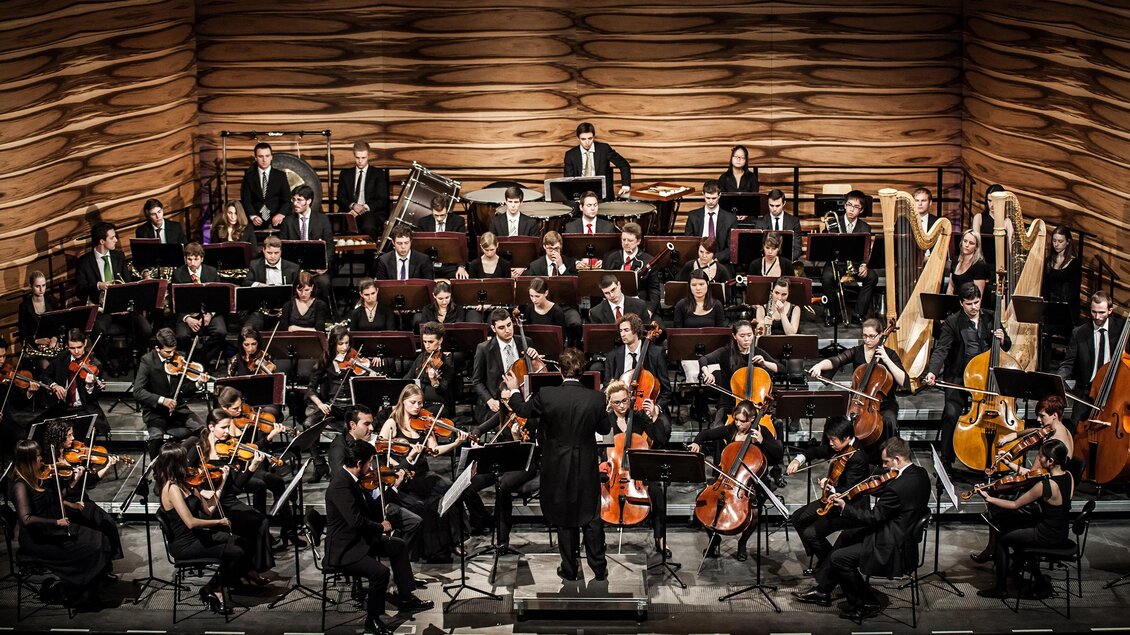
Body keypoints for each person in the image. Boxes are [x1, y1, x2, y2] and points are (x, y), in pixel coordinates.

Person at [793, 437, 930, 620]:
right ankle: (823, 591)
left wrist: (845, 507)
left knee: (839, 558)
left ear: (897, 460)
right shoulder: (920, 474)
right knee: (846, 536)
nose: (884, 467)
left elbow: (874, 517)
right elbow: (894, 501)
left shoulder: (897, 488)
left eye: (886, 462)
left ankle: (865, 603)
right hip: (900, 532)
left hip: (891, 545)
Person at [502, 347, 610, 580]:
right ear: (583, 372)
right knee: (591, 516)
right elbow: (605, 429)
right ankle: (599, 568)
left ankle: (569, 569)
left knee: (564, 516)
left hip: (556, 466)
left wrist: (513, 390)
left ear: (560, 371)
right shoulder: (597, 398)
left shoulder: (547, 395)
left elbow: (522, 409)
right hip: (585, 466)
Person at [325, 438, 432, 635]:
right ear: (359, 464)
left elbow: (370, 511)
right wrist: (380, 527)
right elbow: (356, 521)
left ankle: (406, 599)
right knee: (380, 573)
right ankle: (372, 619)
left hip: (359, 540)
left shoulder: (354, 481)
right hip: (345, 549)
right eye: (369, 462)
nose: (371, 466)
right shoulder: (341, 486)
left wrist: (391, 489)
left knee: (398, 546)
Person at [9, 439, 113, 610]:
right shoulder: (20, 485)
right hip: (39, 539)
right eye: (38, 456)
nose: (42, 459)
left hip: (54, 530)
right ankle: (80, 594)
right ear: (28, 460)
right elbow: (27, 518)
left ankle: (82, 591)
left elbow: (56, 500)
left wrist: (73, 481)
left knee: (100, 539)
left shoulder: (37, 477)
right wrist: (57, 521)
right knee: (92, 548)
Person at [922, 283, 1011, 470]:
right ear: (961, 303)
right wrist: (932, 371)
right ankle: (947, 459)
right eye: (969, 304)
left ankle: (995, 456)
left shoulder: (991, 317)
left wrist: (1003, 339)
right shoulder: (953, 322)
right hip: (959, 376)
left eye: (977, 302)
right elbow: (941, 350)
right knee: (951, 413)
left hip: (986, 378)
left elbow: (1007, 345)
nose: (974, 307)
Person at [377, 384, 469, 562]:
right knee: (427, 503)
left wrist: (456, 444)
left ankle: (456, 540)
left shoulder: (424, 422)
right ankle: (431, 548)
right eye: (413, 403)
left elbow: (435, 450)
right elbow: (381, 452)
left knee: (451, 489)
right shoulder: (391, 423)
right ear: (403, 401)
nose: (417, 407)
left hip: (422, 473)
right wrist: (401, 462)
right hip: (403, 475)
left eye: (420, 403)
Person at [154, 441, 247, 616]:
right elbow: (190, 522)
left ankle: (219, 585)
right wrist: (219, 523)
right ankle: (212, 589)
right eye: (184, 459)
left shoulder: (186, 483)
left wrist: (221, 484)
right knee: (236, 553)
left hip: (196, 536)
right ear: (176, 463)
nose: (189, 462)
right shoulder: (172, 488)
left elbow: (209, 509)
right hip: (185, 544)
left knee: (240, 541)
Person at [975, 440, 1074, 600]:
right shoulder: (1068, 476)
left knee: (1002, 538)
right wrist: (1009, 463)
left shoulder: (1045, 485)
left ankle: (1001, 589)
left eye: (1041, 456)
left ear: (1050, 461)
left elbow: (1014, 504)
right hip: (1061, 532)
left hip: (1046, 535)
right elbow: (1029, 474)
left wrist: (989, 498)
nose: (1038, 458)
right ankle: (1036, 577)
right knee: (1014, 527)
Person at [687, 399, 783, 560]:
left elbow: (778, 455)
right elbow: (706, 434)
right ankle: (714, 538)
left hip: (751, 483)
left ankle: (742, 543)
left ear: (752, 419)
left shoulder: (762, 432)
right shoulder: (731, 430)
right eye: (736, 419)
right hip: (727, 479)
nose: (738, 424)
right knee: (703, 501)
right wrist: (697, 442)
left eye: (742, 421)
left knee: (754, 514)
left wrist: (761, 442)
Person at [326, 406, 422, 561]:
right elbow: (343, 479)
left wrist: (401, 469)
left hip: (378, 499)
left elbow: (380, 472)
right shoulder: (340, 447)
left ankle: (403, 568)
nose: (371, 428)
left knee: (417, 515)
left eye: (372, 424)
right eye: (366, 424)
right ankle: (387, 558)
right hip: (363, 509)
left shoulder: (371, 444)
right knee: (413, 517)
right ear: (352, 425)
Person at [192, 408, 281, 573]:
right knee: (253, 524)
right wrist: (198, 491)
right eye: (223, 428)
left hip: (228, 499)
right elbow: (183, 477)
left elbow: (236, 486)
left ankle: (252, 569)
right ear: (211, 427)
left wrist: (252, 467)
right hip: (209, 505)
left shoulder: (228, 452)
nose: (227, 432)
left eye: (229, 427)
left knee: (262, 520)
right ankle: (244, 570)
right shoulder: (197, 448)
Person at [807, 318, 907, 460]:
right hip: (858, 400)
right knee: (835, 415)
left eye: (871, 336)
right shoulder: (857, 352)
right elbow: (837, 360)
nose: (867, 340)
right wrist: (819, 366)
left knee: (889, 419)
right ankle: (833, 454)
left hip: (883, 402)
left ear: (880, 335)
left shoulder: (890, 354)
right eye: (864, 336)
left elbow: (904, 381)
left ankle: (886, 458)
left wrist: (886, 359)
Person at [785, 417, 871, 573]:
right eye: (829, 439)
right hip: (832, 499)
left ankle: (828, 566)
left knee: (811, 533)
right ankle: (825, 560)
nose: (830, 443)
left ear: (846, 438)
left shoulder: (858, 457)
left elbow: (849, 489)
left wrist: (829, 486)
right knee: (797, 518)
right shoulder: (838, 447)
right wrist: (798, 461)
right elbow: (815, 451)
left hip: (850, 508)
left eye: (833, 440)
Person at [602, 379, 670, 556]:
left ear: (630, 398)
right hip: (613, 471)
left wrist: (654, 416)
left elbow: (661, 438)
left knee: (657, 492)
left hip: (639, 471)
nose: (622, 405)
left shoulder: (638, 417)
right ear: (609, 401)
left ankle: (660, 539)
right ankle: (596, 540)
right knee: (594, 493)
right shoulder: (605, 421)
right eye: (617, 402)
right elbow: (601, 449)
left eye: (625, 400)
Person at [42, 419, 124, 562]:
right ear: (59, 436)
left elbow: (91, 480)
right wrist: (74, 482)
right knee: (97, 528)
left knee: (108, 523)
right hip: (67, 504)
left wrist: (107, 466)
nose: (73, 438)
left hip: (81, 499)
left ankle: (106, 563)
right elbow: (55, 496)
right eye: (69, 435)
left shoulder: (72, 455)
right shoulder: (49, 461)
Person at [75, 221, 151, 371]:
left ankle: (130, 361)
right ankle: (107, 364)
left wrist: (125, 303)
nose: (116, 240)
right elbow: (80, 290)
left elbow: (127, 283)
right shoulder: (84, 262)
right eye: (112, 237)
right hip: (102, 311)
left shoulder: (118, 256)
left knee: (145, 329)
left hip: (122, 309)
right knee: (98, 330)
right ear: (102, 241)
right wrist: (98, 285)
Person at [133, 328, 206, 458]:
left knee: (204, 430)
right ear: (157, 348)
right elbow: (138, 391)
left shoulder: (179, 357)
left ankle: (187, 462)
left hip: (178, 409)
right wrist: (162, 400)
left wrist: (198, 383)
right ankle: (158, 471)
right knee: (156, 437)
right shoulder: (147, 361)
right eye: (168, 351)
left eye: (174, 350)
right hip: (156, 412)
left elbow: (183, 388)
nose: (172, 354)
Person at [602, 314, 673, 439]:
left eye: (626, 330)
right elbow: (607, 386)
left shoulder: (656, 353)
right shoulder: (612, 356)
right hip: (620, 408)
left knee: (664, 428)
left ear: (636, 330)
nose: (622, 334)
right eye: (620, 331)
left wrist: (656, 407)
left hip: (648, 407)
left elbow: (666, 390)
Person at [698, 320, 779, 426]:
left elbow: (781, 368)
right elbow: (703, 359)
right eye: (742, 336)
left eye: (749, 335)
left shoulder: (758, 352)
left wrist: (765, 363)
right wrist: (707, 372)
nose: (746, 339)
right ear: (734, 336)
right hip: (729, 404)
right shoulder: (726, 352)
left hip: (754, 406)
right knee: (717, 431)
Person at [819, 189, 878, 325]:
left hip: (856, 264)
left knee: (872, 277)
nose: (852, 209)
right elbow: (823, 245)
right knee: (827, 277)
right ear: (845, 205)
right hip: (836, 263)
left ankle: (858, 314)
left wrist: (864, 265)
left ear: (861, 210)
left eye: (856, 207)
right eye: (849, 205)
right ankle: (834, 314)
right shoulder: (833, 222)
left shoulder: (865, 227)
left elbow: (866, 250)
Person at [1057, 290, 1127, 405]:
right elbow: (1068, 363)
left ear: (1110, 311)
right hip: (1086, 392)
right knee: (1076, 423)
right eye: (1093, 312)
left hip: (1114, 391)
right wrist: (1058, 380)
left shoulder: (1122, 329)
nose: (1097, 317)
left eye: (1101, 312)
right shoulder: (1079, 332)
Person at [472, 308, 540, 424]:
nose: (508, 330)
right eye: (502, 327)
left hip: (522, 400)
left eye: (509, 325)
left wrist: (535, 359)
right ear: (493, 328)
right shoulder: (483, 349)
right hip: (498, 402)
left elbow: (534, 373)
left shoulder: (526, 342)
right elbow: (477, 381)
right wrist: (489, 400)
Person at [39, 328, 110, 439]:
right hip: (62, 408)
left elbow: (94, 397)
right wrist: (54, 385)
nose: (76, 352)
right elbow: (44, 376)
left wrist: (90, 386)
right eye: (72, 348)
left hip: (84, 409)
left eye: (79, 347)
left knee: (78, 434)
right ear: (67, 345)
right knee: (37, 428)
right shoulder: (61, 357)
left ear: (85, 343)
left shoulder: (95, 364)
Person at [171, 242, 226, 363]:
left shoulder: (212, 272)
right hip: (187, 314)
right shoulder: (178, 274)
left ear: (202, 258)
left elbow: (219, 297)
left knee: (220, 332)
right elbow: (173, 300)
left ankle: (201, 360)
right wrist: (186, 318)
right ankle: (194, 359)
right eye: (189, 259)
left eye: (196, 259)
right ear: (185, 259)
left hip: (210, 312)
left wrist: (210, 314)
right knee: (181, 336)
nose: (192, 263)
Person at [279, 184, 335, 300]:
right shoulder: (287, 221)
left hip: (316, 270)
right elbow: (281, 247)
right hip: (294, 269)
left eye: (299, 200)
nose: (295, 203)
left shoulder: (322, 220)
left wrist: (325, 265)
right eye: (293, 200)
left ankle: (318, 312)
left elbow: (330, 246)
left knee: (324, 283)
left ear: (309, 201)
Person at [563, 122, 632, 200]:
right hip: (581, 196)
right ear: (578, 138)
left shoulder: (604, 149)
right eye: (583, 139)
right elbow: (568, 180)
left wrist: (625, 186)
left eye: (590, 138)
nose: (587, 142)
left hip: (603, 195)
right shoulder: (570, 155)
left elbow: (624, 165)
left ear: (594, 137)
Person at [335, 140, 388, 241]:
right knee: (338, 225)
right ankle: (344, 256)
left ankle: (370, 256)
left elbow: (382, 200)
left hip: (370, 212)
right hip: (349, 211)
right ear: (354, 156)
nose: (360, 161)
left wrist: (363, 208)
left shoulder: (378, 174)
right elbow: (340, 198)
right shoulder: (345, 174)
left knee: (368, 226)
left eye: (363, 158)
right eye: (357, 158)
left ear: (368, 156)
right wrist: (353, 206)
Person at [602, 222, 660, 312]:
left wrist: (650, 310)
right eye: (623, 240)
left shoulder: (648, 261)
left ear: (638, 241)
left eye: (630, 240)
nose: (626, 243)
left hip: (639, 304)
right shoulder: (610, 257)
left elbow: (654, 289)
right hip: (614, 304)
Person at [404, 322, 458, 417]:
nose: (427, 346)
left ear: (440, 340)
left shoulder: (447, 360)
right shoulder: (422, 357)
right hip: (419, 402)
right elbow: (407, 379)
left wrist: (434, 380)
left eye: (430, 342)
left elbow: (443, 390)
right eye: (424, 342)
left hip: (438, 404)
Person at [240, 141, 292, 228]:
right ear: (256, 158)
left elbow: (287, 200)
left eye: (267, 156)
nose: (264, 160)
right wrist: (253, 216)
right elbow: (246, 200)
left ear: (271, 157)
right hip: (256, 220)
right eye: (261, 156)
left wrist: (281, 214)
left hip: (277, 219)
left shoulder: (280, 176)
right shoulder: (249, 177)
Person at [417, 195, 469, 279]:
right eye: (436, 215)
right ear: (432, 211)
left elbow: (462, 246)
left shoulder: (458, 221)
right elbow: (420, 248)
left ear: (447, 210)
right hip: (430, 265)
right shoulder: (423, 222)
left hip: (451, 266)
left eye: (442, 215)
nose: (439, 218)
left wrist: (461, 266)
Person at [684, 180, 736, 263]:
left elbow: (731, 247)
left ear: (719, 195)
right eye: (708, 198)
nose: (710, 201)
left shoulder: (730, 219)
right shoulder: (693, 216)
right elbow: (688, 244)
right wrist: (701, 258)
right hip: (698, 260)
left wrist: (714, 259)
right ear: (703, 195)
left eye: (714, 198)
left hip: (720, 262)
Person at [18, 269, 59, 370]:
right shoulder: (24, 306)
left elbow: (60, 325)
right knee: (46, 366)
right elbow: (23, 334)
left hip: (53, 345)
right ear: (30, 286)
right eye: (37, 286)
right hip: (36, 348)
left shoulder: (52, 301)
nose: (41, 289)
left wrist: (55, 338)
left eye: (44, 285)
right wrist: (36, 341)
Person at [1042, 226, 1081, 326]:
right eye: (1054, 240)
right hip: (1049, 306)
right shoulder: (1048, 261)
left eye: (1060, 241)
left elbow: (1074, 292)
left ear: (1068, 242)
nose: (1056, 244)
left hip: (1067, 308)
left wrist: (1061, 307)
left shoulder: (1074, 263)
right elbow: (1045, 287)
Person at [755, 189, 803, 262]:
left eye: (777, 206)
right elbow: (758, 248)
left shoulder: (794, 221)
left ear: (784, 203)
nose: (774, 209)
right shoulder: (760, 222)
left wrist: (784, 262)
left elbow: (798, 248)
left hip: (788, 261)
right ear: (768, 203)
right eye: (771, 205)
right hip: (767, 261)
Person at [946, 229, 991, 297]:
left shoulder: (979, 265)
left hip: (971, 304)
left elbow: (978, 296)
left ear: (976, 247)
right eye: (965, 241)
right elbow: (951, 287)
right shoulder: (955, 260)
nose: (967, 245)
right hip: (956, 302)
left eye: (971, 243)